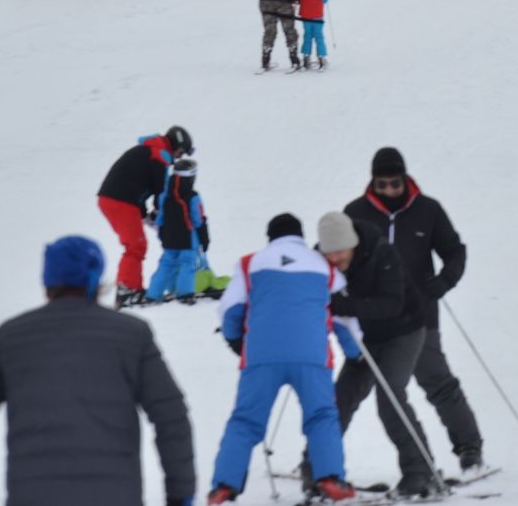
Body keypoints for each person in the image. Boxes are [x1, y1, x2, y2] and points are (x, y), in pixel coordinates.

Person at [0, 236, 195, 506]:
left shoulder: (10, 338)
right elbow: (171, 418)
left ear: (47, 280)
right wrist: (180, 495)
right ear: (96, 277)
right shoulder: (133, 336)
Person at [345, 148, 485, 480]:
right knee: (352, 388)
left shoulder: (428, 210)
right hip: (372, 319)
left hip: (420, 315)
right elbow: (341, 255)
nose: (389, 190)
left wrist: (441, 283)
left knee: (436, 381)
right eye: (382, 184)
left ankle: (469, 448)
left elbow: (455, 251)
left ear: (405, 179)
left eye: (395, 183)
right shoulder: (355, 212)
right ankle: (319, 460)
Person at [208, 214, 361, 504]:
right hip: (312, 356)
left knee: (245, 420)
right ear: (301, 237)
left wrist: (237, 342)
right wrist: (356, 354)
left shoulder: (249, 263)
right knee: (322, 417)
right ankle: (330, 478)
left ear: (270, 238)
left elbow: (230, 310)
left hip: (262, 356)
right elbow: (343, 319)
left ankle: (224, 485)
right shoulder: (325, 268)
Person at [318, 211, 442, 500]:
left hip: (403, 331)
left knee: (390, 395)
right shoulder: (320, 259)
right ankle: (318, 471)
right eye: (329, 252)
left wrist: (343, 306)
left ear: (352, 243)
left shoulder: (381, 253)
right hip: (363, 339)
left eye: (340, 251)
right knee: (340, 398)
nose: (335, 258)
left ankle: (420, 474)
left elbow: (391, 304)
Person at [98, 125, 193, 308]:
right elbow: (160, 193)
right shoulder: (158, 156)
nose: (177, 158)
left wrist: (145, 215)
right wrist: (161, 218)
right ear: (175, 146)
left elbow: (136, 182)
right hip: (119, 201)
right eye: (180, 153)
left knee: (136, 244)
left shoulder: (150, 151)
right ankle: (127, 291)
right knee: (136, 245)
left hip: (117, 200)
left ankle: (131, 289)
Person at [146, 157, 210, 304]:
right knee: (187, 264)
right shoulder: (193, 196)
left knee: (166, 264)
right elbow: (198, 220)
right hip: (188, 238)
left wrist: (163, 235)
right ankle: (185, 293)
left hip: (169, 238)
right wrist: (204, 239)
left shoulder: (164, 195)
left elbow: (160, 218)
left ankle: (153, 294)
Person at [299, 0, 330, 70]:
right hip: (317, 16)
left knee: (307, 36)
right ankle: (321, 58)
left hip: (305, 16)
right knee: (319, 36)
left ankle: (306, 59)